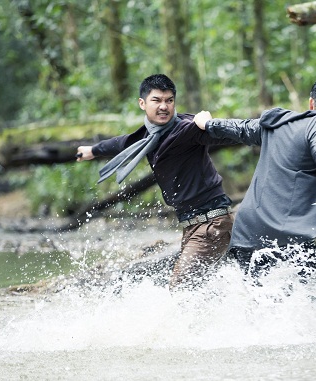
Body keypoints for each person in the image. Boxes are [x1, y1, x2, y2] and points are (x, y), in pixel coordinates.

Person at [194, 76, 316, 280]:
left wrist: (209, 123)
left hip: (247, 231)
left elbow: (241, 128)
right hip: (282, 235)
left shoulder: (280, 123)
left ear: (311, 102)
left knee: (262, 303)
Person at [76, 74, 236, 289]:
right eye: (157, 100)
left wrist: (210, 124)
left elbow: (232, 133)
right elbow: (122, 143)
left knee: (180, 287)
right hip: (192, 225)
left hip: (211, 223)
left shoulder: (189, 129)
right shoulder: (149, 136)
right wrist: (93, 150)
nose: (164, 106)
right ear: (142, 103)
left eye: (169, 100)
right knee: (201, 289)